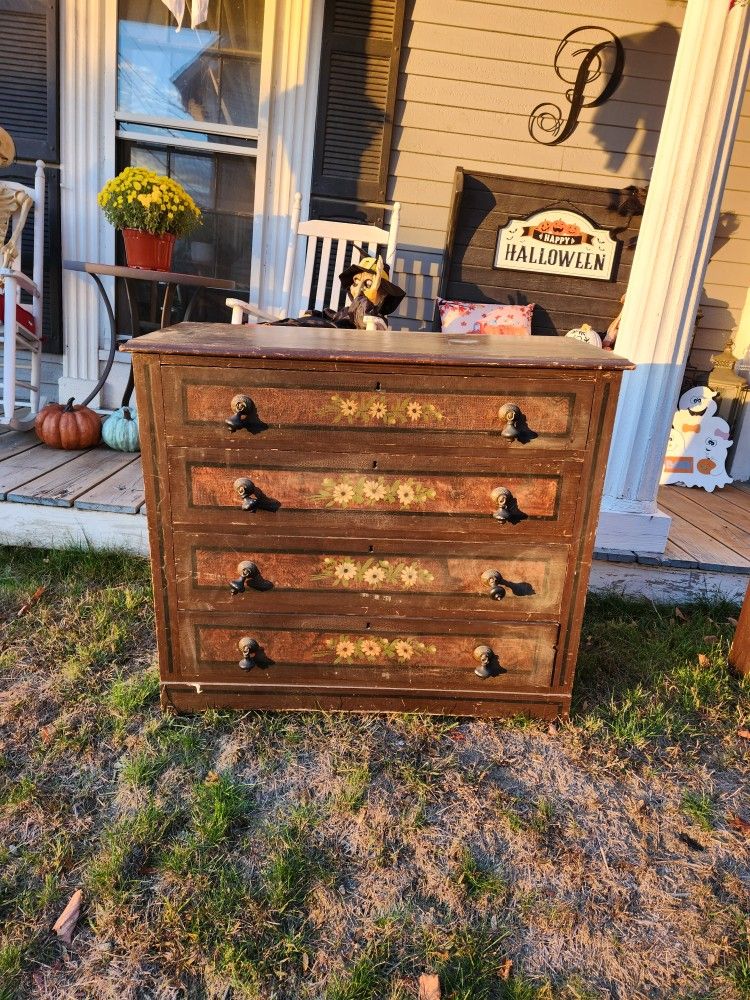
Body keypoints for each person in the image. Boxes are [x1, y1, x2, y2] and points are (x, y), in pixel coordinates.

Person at [272, 255, 405, 330]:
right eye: (355, 282)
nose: (359, 289)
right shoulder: (351, 309)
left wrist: (369, 296)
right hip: (313, 334)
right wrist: (316, 314)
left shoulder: (374, 318)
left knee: (297, 326)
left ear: (383, 295)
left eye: (368, 284)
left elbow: (361, 316)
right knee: (293, 323)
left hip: (333, 342)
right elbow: (335, 316)